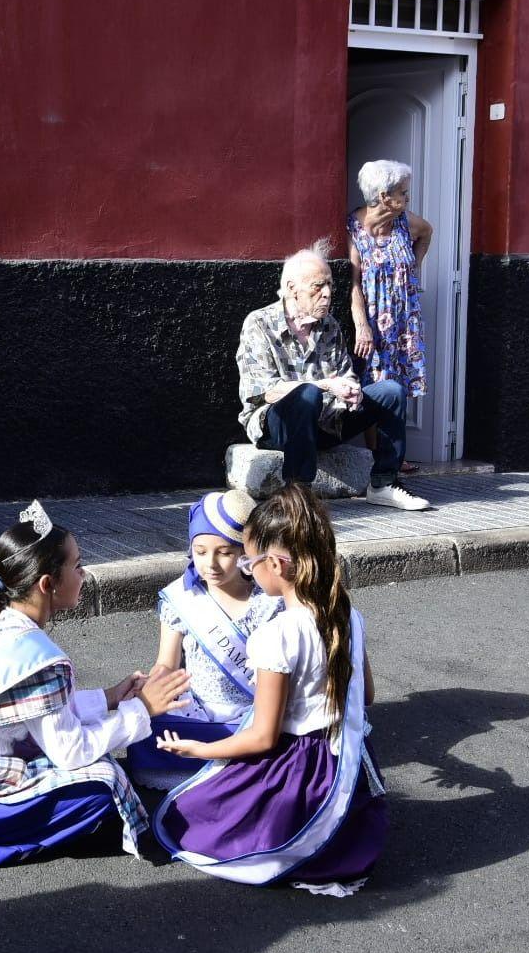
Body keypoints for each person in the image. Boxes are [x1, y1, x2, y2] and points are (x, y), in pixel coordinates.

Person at [0, 502, 193, 865]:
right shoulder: (44, 660)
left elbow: (36, 709)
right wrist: (143, 708)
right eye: (77, 566)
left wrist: (110, 698)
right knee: (102, 786)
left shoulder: (0, 623)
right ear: (47, 584)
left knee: (95, 761)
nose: (83, 574)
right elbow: (71, 752)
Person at [152, 484, 390, 895]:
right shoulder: (346, 613)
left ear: (275, 565)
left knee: (189, 820)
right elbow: (365, 696)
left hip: (301, 769)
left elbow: (263, 737)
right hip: (346, 763)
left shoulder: (276, 634)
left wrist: (200, 750)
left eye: (248, 560)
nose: (247, 569)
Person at [235, 240, 430, 510]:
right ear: (292, 288)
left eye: (329, 285)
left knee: (391, 392)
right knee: (308, 394)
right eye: (318, 286)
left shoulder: (329, 326)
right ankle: (299, 495)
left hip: (328, 421)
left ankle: (384, 484)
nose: (327, 293)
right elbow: (266, 391)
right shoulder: (259, 323)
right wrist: (326, 385)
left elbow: (345, 374)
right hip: (278, 426)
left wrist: (352, 390)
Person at [125, 489, 283, 790]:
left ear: (246, 552)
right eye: (200, 551)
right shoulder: (181, 597)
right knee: (142, 719)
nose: (210, 563)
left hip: (251, 709)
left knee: (274, 731)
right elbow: (166, 663)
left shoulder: (268, 602)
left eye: (224, 552)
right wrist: (151, 685)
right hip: (193, 706)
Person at [347, 159, 432, 403]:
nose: (408, 198)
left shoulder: (405, 222)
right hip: (374, 321)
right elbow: (354, 284)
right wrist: (362, 326)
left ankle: (394, 429)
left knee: (401, 388)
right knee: (373, 388)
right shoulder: (353, 230)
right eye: (403, 193)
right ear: (384, 196)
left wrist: (413, 270)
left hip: (404, 318)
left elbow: (427, 233)